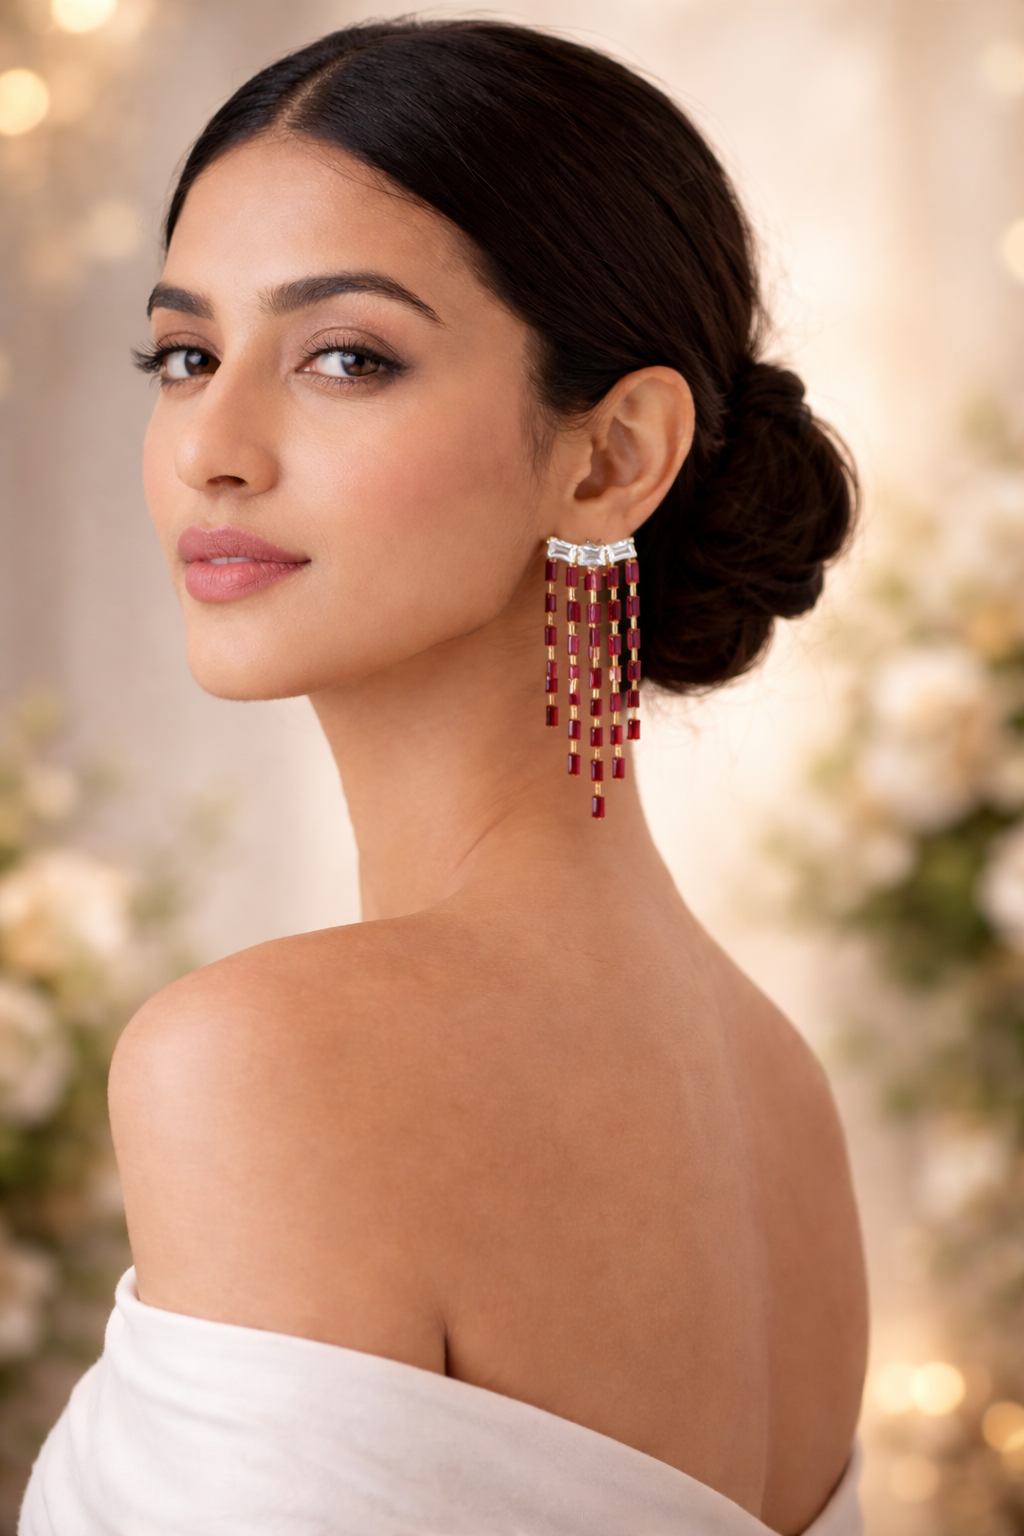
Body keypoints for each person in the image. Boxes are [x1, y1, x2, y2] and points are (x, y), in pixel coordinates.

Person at [20, 19, 867, 1536]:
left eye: (347, 357)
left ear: (611, 457)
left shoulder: (266, 1060)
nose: (212, 444)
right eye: (185, 354)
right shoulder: (782, 1096)